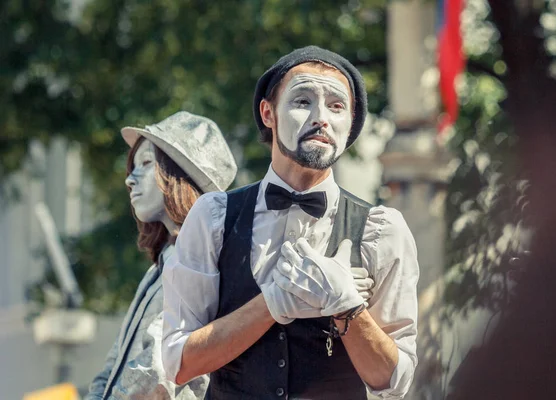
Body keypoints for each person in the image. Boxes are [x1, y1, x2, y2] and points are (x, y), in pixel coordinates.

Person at [162, 46, 419, 399]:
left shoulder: (383, 231)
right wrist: (273, 303)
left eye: (337, 106)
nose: (321, 118)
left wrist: (347, 307)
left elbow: (394, 382)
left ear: (351, 125)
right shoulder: (213, 217)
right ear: (268, 113)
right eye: (302, 101)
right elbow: (179, 364)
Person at [85, 111, 237, 399]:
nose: (130, 179)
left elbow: (157, 369)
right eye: (133, 166)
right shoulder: (164, 262)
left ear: (179, 175)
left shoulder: (203, 260)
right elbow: (115, 361)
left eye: (146, 163)